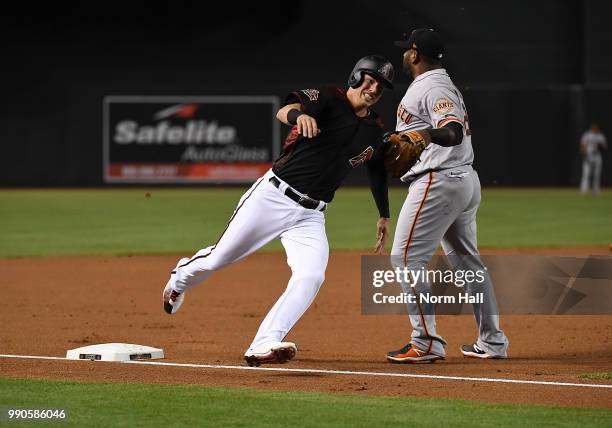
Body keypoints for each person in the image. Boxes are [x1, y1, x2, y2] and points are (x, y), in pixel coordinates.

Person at [162, 55, 394, 366]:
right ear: (355, 76)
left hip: (311, 215)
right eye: (369, 79)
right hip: (272, 197)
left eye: (380, 86)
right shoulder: (329, 98)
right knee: (220, 257)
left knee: (311, 275)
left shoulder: (374, 128)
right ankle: (179, 277)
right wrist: (299, 116)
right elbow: (285, 107)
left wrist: (383, 213)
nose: (373, 88)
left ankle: (263, 343)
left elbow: (377, 169)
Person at [384, 29, 509, 363]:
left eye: (406, 50)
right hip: (460, 179)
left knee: (406, 259)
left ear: (414, 54)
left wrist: (424, 133)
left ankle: (425, 341)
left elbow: (452, 130)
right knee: (469, 264)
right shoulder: (436, 83)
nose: (403, 55)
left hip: (439, 181)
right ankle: (493, 341)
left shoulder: (434, 85)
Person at [580, 123, 607, 194]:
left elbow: (604, 147)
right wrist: (584, 154)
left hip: (597, 156)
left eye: (596, 128)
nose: (595, 129)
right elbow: (583, 145)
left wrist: (600, 145)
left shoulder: (600, 136)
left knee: (597, 173)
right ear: (591, 128)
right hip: (588, 155)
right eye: (594, 128)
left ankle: (596, 189)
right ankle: (584, 189)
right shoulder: (587, 135)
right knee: (586, 173)